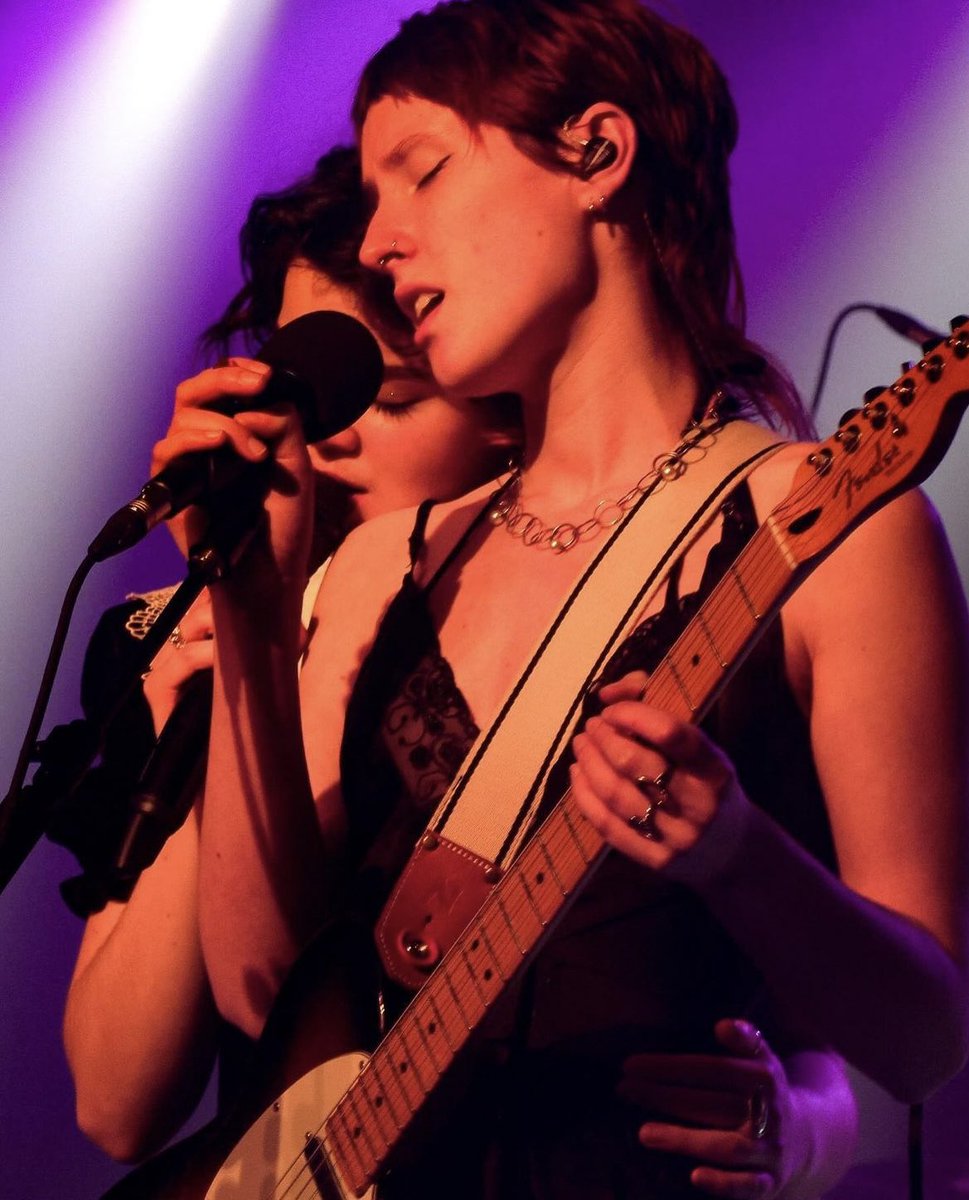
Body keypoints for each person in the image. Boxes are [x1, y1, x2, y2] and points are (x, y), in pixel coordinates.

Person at [148, 2, 969, 1197]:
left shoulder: (837, 528)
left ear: (597, 152)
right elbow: (261, 999)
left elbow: (927, 1038)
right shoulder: (390, 561)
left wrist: (743, 857)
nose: (378, 245)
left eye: (419, 174)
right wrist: (255, 620)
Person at [62, 144, 520, 1163]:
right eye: (305, 388)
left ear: (505, 415)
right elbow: (116, 1100)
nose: (331, 438)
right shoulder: (169, 639)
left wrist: (800, 1125)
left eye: (390, 397)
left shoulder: (519, 629)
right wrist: (239, 649)